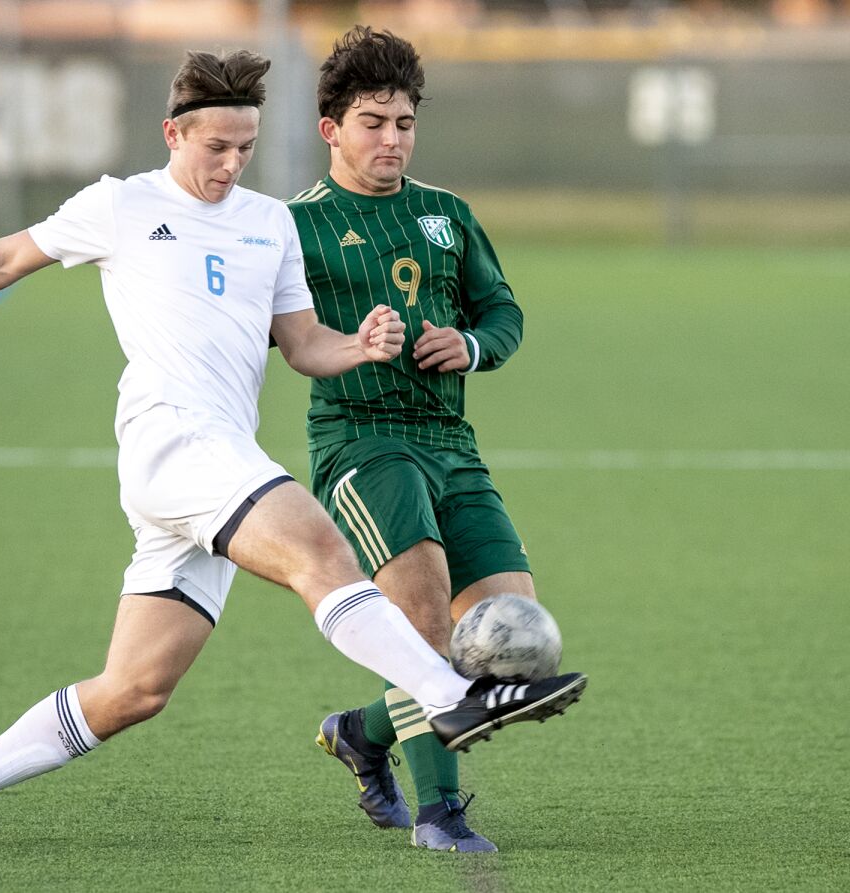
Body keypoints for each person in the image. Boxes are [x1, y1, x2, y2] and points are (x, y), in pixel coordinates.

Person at [0, 48, 586, 850]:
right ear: (172, 133)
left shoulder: (267, 222)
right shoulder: (121, 204)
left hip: (215, 462)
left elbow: (303, 343)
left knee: (135, 689)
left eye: (245, 147)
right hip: (171, 441)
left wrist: (361, 345)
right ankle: (453, 694)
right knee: (319, 547)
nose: (231, 162)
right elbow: (4, 258)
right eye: (215, 146)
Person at [288, 27, 583, 852]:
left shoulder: (447, 214)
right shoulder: (293, 228)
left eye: (405, 123)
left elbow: (505, 313)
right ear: (331, 130)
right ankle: (440, 812)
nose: (392, 138)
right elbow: (276, 335)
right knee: (421, 622)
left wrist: (473, 344)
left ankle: (364, 730)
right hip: (363, 441)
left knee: (507, 639)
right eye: (374, 122)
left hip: (452, 441)